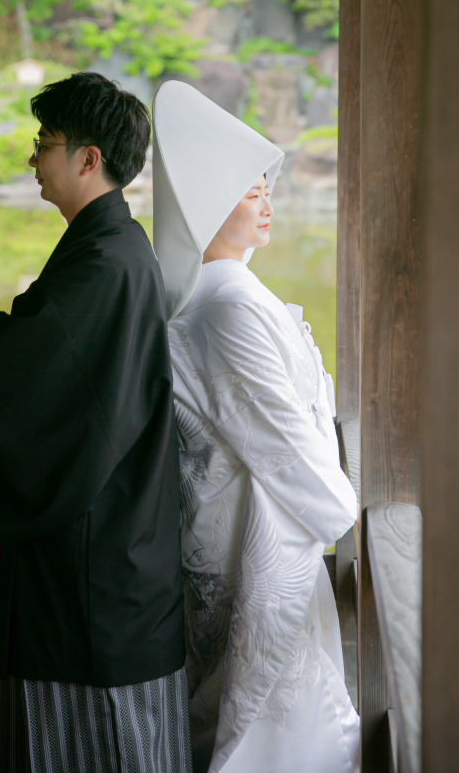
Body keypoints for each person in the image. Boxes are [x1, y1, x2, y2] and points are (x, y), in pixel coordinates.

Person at [0, 72, 190, 773]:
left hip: (92, 558)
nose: (34, 158)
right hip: (116, 538)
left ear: (89, 159)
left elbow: (9, 376)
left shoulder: (101, 265)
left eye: (44, 143)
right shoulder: (115, 247)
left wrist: (0, 332)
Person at [152, 81, 360, 773]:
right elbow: (283, 443)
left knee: (263, 713)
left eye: (267, 190)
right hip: (251, 539)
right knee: (265, 721)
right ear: (208, 207)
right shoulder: (227, 308)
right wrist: (342, 507)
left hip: (248, 528)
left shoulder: (231, 293)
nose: (268, 204)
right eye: (249, 194)